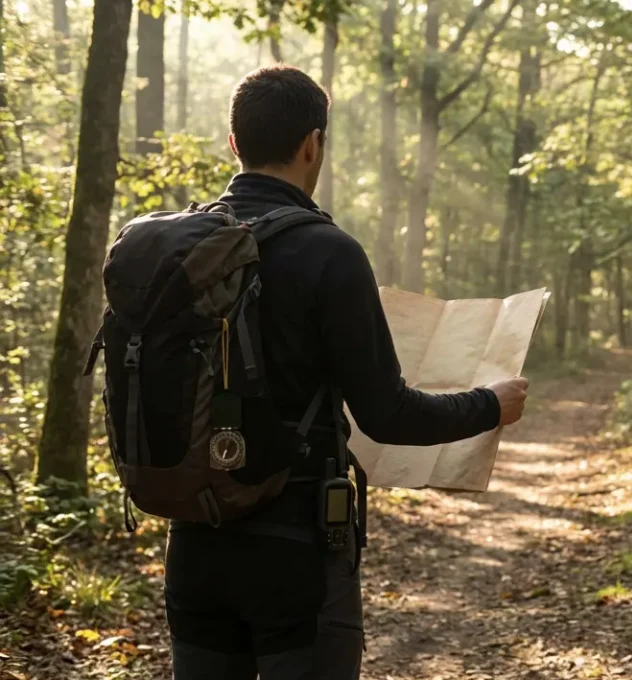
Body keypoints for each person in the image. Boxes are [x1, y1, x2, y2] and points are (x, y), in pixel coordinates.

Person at [163, 65, 529, 680]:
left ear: (235, 144)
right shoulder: (328, 252)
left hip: (193, 542)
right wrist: (489, 405)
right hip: (296, 552)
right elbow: (388, 415)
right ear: (313, 143)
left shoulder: (179, 250)